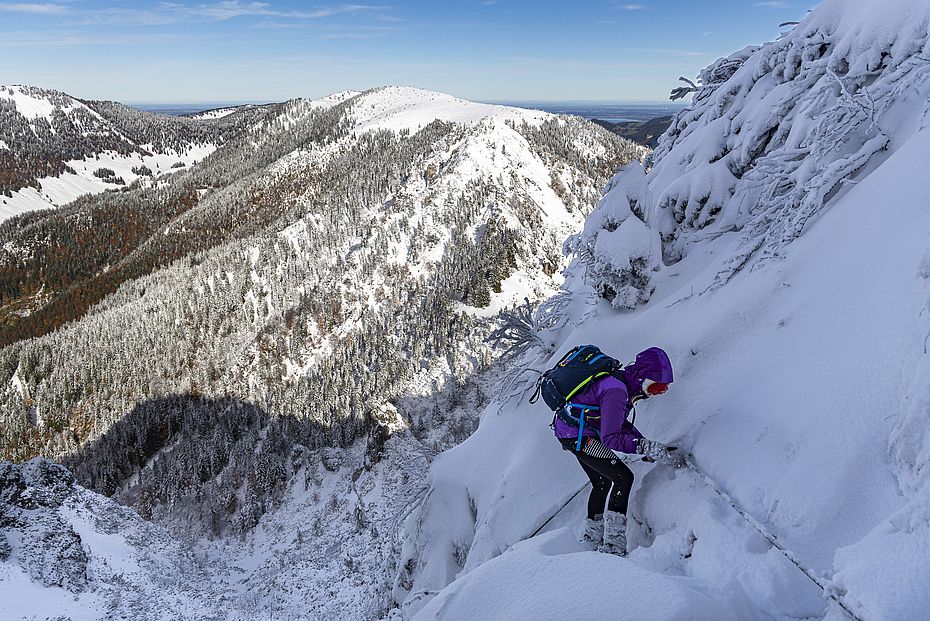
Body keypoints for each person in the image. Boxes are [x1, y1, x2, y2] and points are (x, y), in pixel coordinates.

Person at [552, 347, 682, 556]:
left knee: (602, 482)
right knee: (623, 478)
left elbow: (619, 424)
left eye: (663, 389)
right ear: (643, 378)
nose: (656, 394)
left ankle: (592, 539)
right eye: (656, 387)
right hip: (579, 437)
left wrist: (643, 446)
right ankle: (613, 545)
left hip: (571, 432)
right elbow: (611, 438)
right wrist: (643, 446)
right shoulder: (616, 390)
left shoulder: (622, 384)